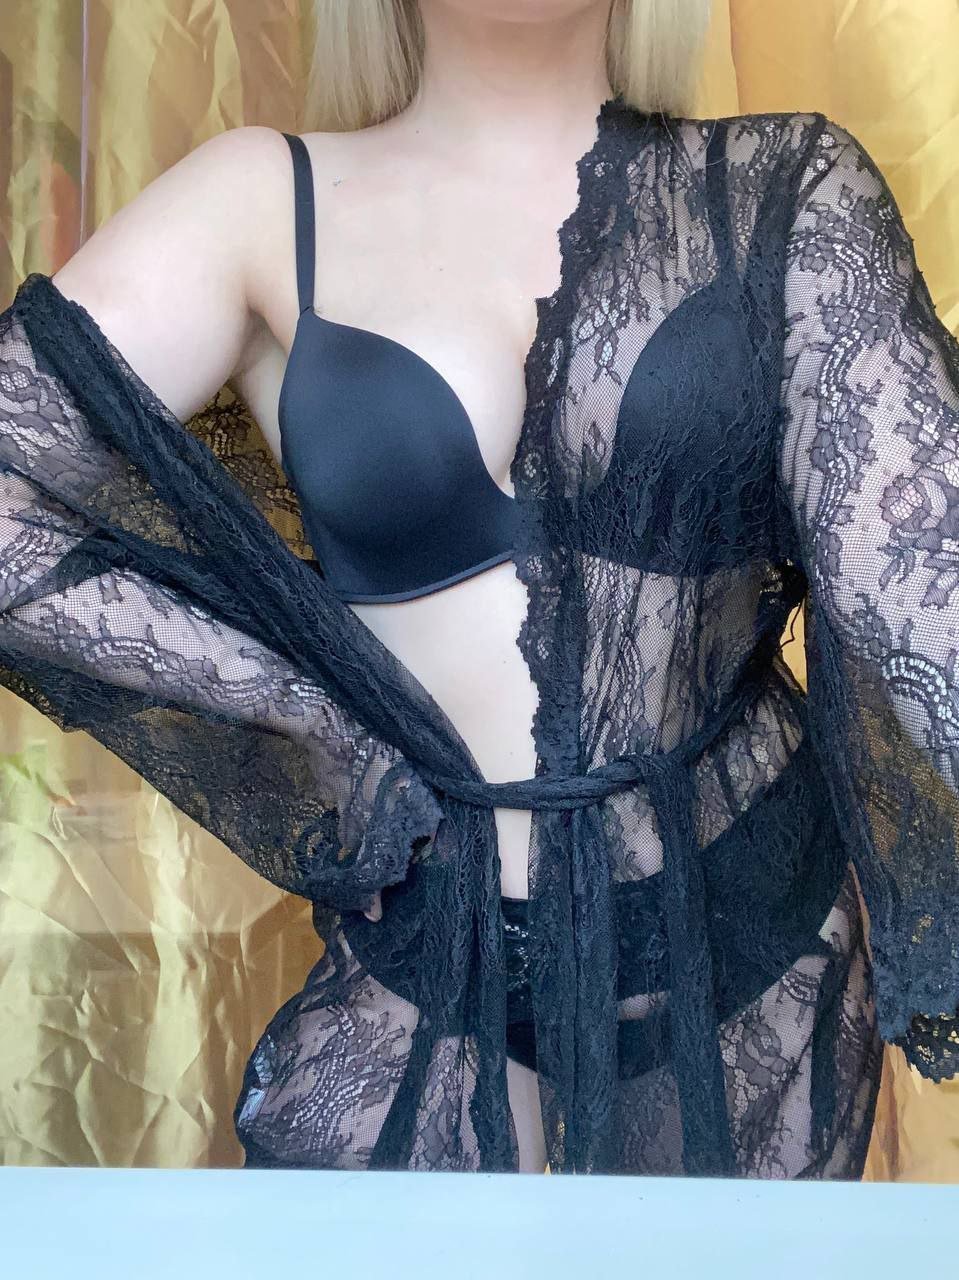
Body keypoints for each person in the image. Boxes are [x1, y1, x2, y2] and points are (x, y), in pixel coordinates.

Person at [1, 0, 957, 1177]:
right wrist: (302, 712)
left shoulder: (782, 188)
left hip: (744, 933)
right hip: (425, 942)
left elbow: (926, 596)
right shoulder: (259, 201)